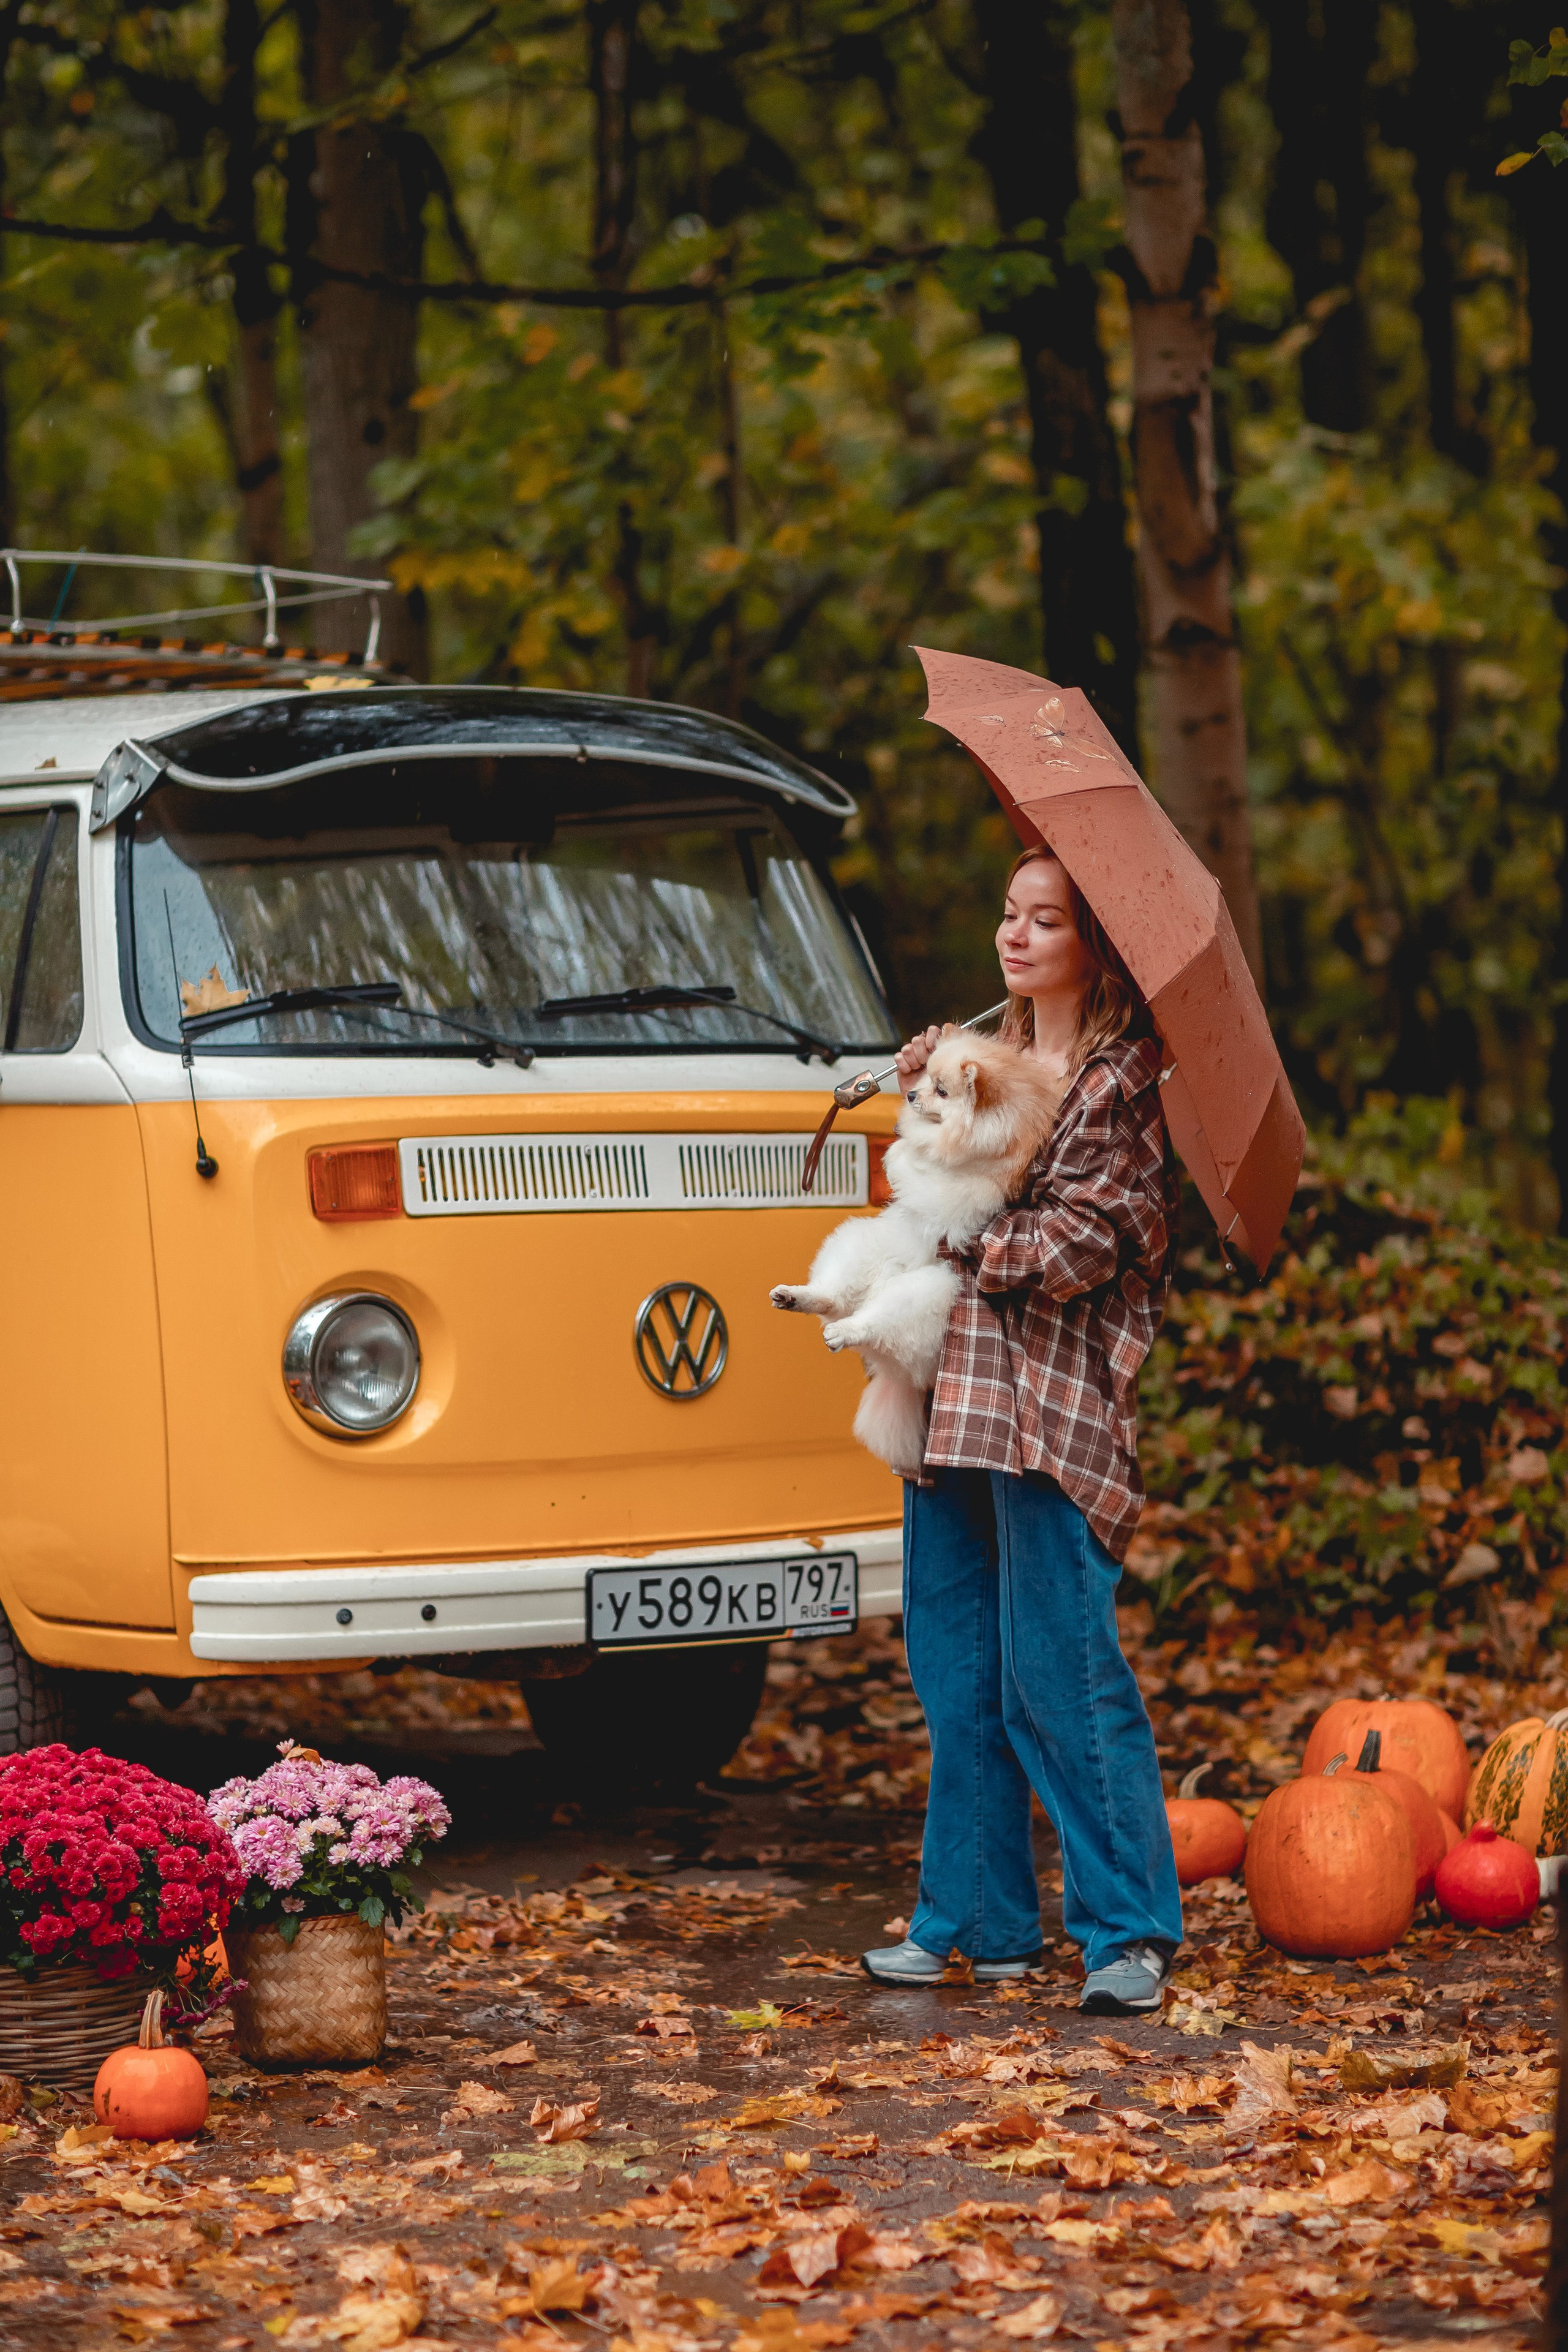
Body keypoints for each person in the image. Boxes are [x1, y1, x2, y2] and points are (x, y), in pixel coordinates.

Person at [861, 843, 1184, 2015]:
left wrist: (966, 1236)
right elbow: (919, 1175)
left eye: (1046, 921)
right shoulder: (975, 1053)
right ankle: (979, 1923)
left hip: (1048, 1411)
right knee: (955, 1671)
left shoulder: (1119, 1082)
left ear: (1094, 942)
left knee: (1061, 1675)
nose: (1016, 935)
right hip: (950, 1392)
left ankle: (1128, 1932)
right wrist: (922, 1094)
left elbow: (1090, 1242)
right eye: (1009, 913)